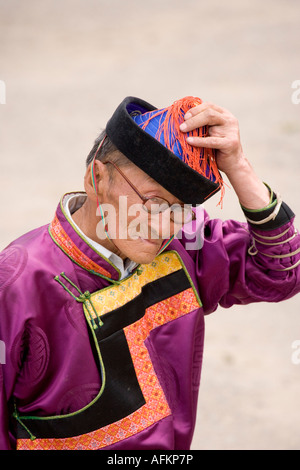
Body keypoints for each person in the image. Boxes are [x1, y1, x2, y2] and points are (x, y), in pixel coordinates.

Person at [0, 95, 299, 450]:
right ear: (97, 177)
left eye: (180, 207)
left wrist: (238, 166)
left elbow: (281, 273)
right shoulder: (17, 282)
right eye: (154, 202)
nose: (164, 227)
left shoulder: (185, 246)